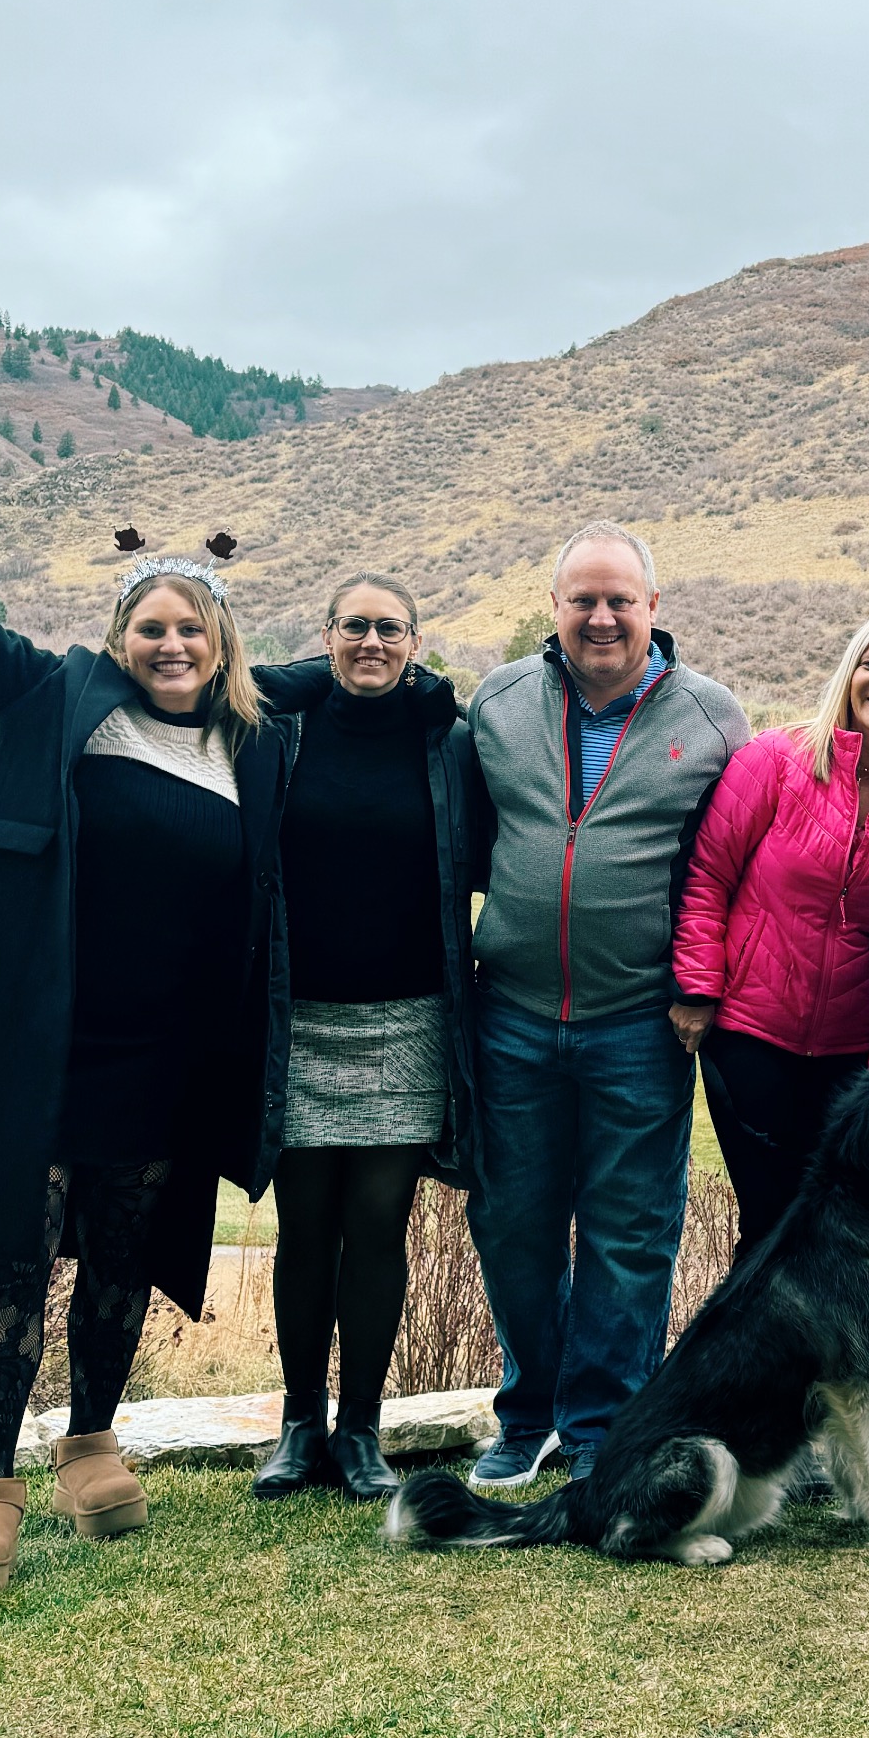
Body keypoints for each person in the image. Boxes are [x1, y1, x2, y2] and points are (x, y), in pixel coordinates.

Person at [0, 539, 289, 1599]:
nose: (172, 644)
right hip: (44, 1043)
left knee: (123, 1256)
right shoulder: (57, 696)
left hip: (164, 1057)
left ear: (221, 642)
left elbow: (356, 681)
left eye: (191, 627)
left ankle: (89, 1444)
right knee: (15, 1259)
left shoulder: (253, 743)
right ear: (120, 639)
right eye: (150, 627)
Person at [465, 526, 748, 1484]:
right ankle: (528, 1415)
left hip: (640, 1023)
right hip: (511, 1013)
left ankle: (600, 1430)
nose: (600, 618)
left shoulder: (712, 717)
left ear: (652, 608)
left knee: (630, 1233)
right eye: (582, 600)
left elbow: (729, 868)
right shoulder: (499, 701)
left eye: (619, 600)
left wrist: (700, 985)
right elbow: (465, 837)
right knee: (514, 1226)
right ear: (554, 607)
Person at [249, 577, 480, 1501]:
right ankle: (299, 1425)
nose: (372, 642)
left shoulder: (446, 744)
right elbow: (237, 683)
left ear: (416, 641)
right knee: (304, 1226)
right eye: (355, 627)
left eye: (390, 629)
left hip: (408, 1020)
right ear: (327, 634)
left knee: (380, 1225)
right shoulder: (284, 733)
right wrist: (312, 676)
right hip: (299, 1020)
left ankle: (360, 1431)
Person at [669, 610, 869, 1247]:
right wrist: (698, 988)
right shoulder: (777, 758)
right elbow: (708, 874)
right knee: (771, 1224)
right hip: (749, 1036)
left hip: (851, 1058)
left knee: (835, 1229)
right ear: (849, 673)